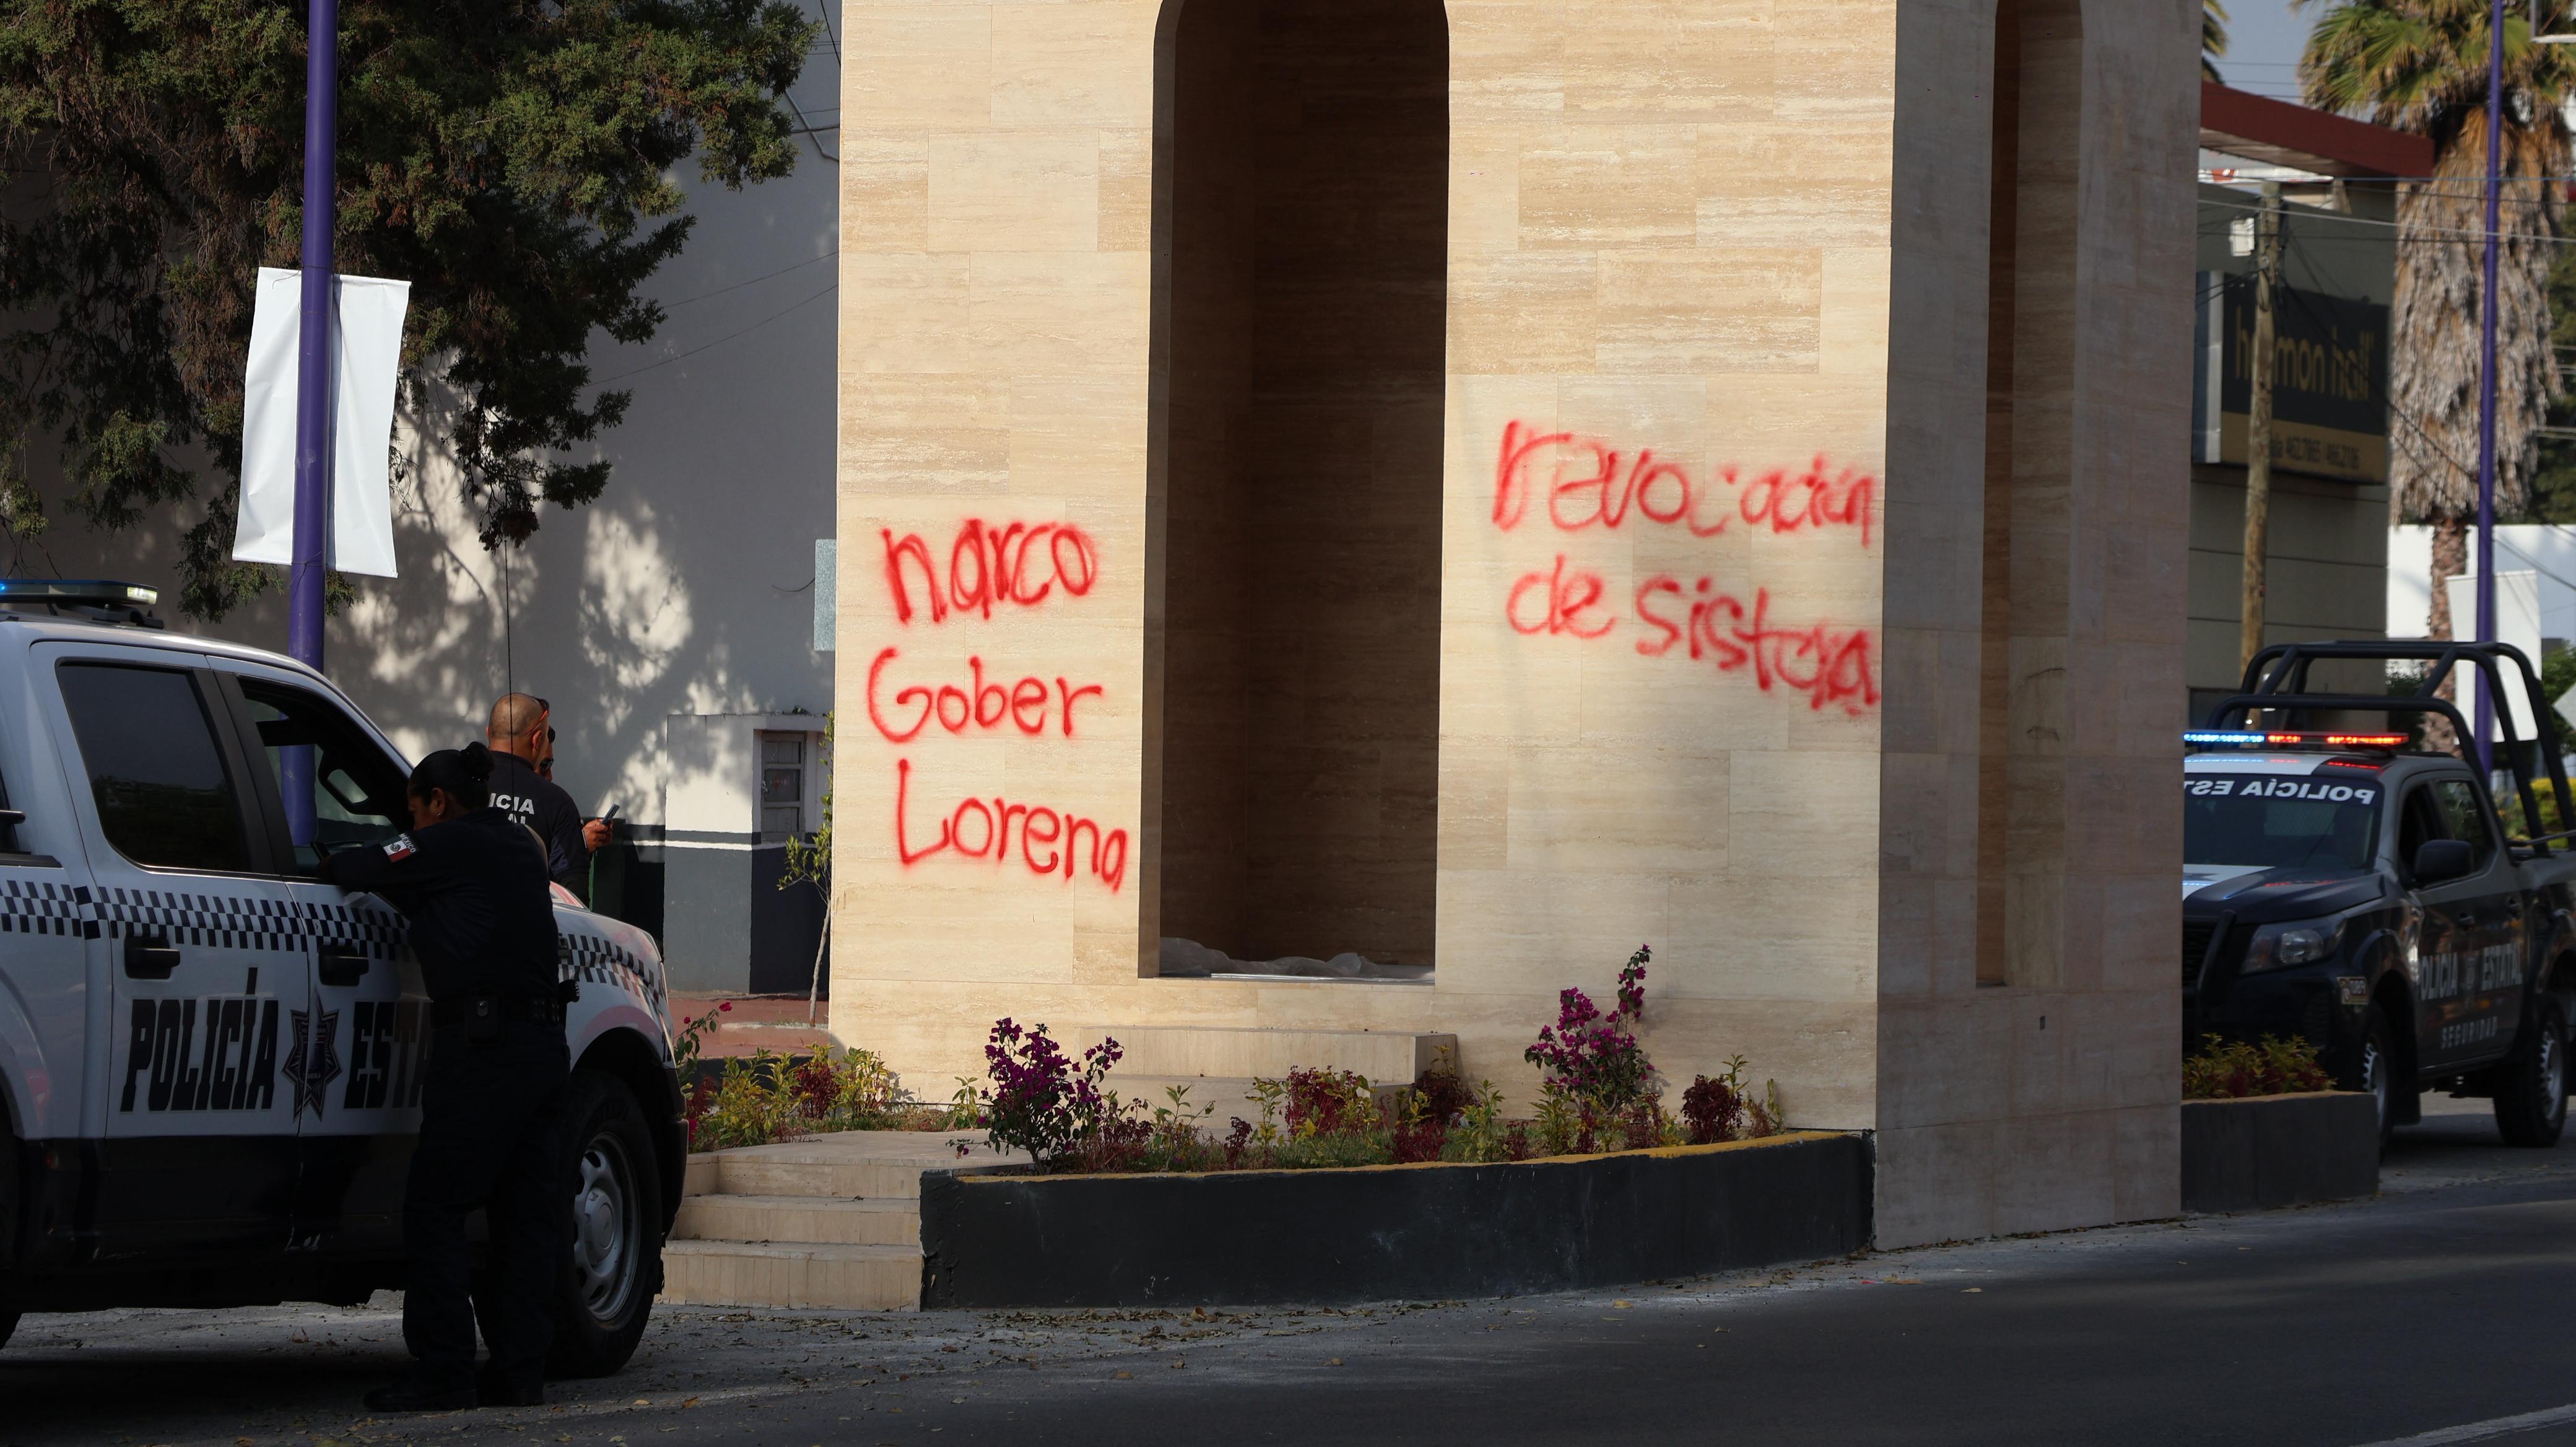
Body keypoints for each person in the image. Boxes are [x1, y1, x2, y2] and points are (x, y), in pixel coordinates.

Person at [319, 743, 568, 1412]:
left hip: (484, 1049)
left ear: (437, 802)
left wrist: (325, 851)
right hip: (543, 1046)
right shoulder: (519, 846)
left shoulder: (445, 843)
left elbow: (358, 865)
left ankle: (444, 1371)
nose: (412, 828)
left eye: (414, 813)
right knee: (523, 1217)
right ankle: (520, 1373)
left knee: (435, 1206)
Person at [484, 694, 611, 899]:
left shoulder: (452, 784)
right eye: (546, 765)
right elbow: (574, 899)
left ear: (489, 733)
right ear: (538, 740)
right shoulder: (556, 803)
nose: (549, 776)